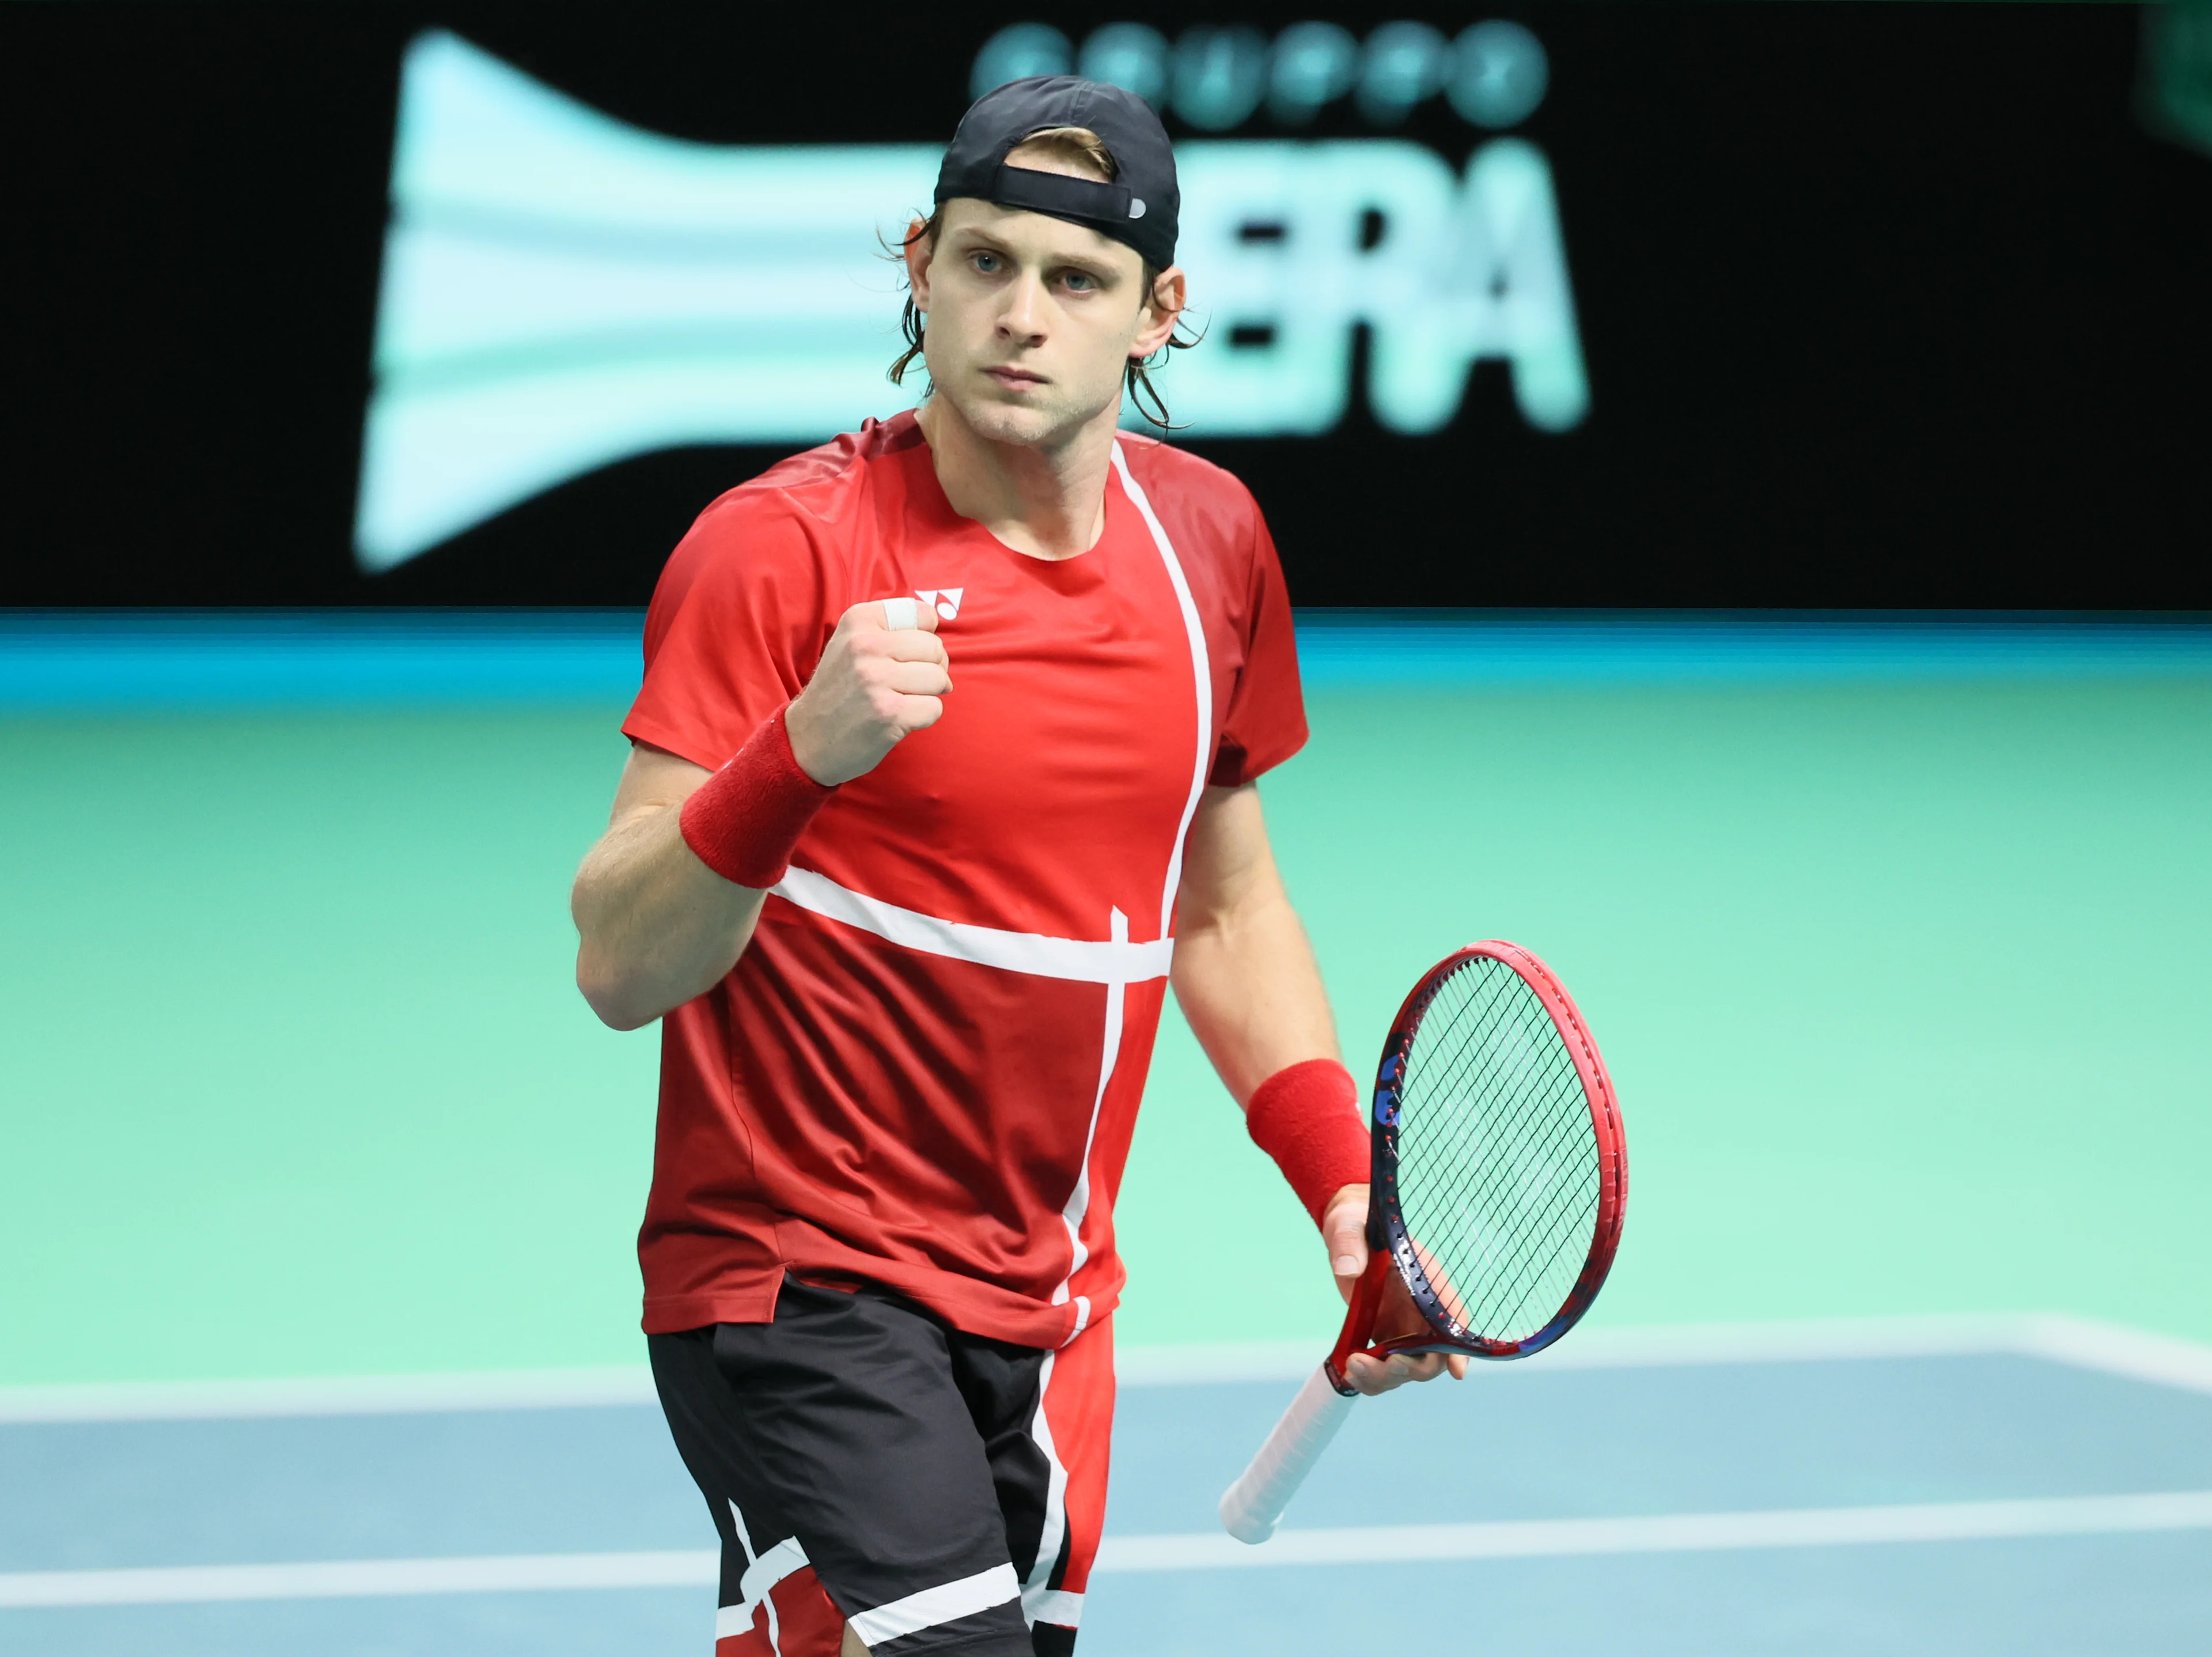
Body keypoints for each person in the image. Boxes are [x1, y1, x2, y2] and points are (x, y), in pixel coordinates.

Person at [570, 76, 1462, 1657]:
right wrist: (801, 753)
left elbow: (1226, 905)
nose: (1019, 316)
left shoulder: (1212, 550)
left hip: (1049, 1306)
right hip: (794, 1275)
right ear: (918, 265)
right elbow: (620, 964)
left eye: (1074, 279)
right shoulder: (780, 550)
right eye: (982, 263)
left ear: (1160, 311)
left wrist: (1344, 1187)